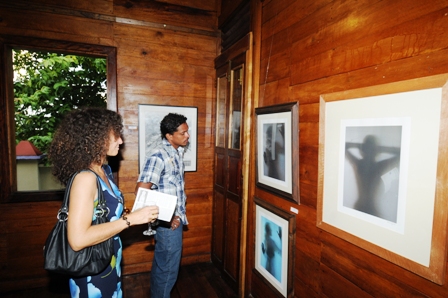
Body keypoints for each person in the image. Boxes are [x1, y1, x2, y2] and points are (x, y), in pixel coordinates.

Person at [48, 107, 159, 298]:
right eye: (115, 135)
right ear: (95, 138)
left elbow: (104, 216)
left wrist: (133, 215)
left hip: (109, 260)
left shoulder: (104, 171)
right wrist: (130, 220)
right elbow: (78, 240)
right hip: (91, 269)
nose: (121, 141)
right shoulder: (85, 178)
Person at [135, 112, 189, 298]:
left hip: (176, 220)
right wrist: (167, 216)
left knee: (165, 267)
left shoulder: (176, 153)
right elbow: (141, 190)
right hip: (168, 225)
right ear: (169, 135)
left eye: (186, 132)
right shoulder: (159, 156)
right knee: (167, 272)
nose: (187, 136)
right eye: (183, 133)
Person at [345, 134, 401, 220]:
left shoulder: (359, 164)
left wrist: (360, 146)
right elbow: (401, 153)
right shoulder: (378, 166)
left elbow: (344, 147)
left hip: (360, 207)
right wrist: (380, 149)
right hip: (370, 209)